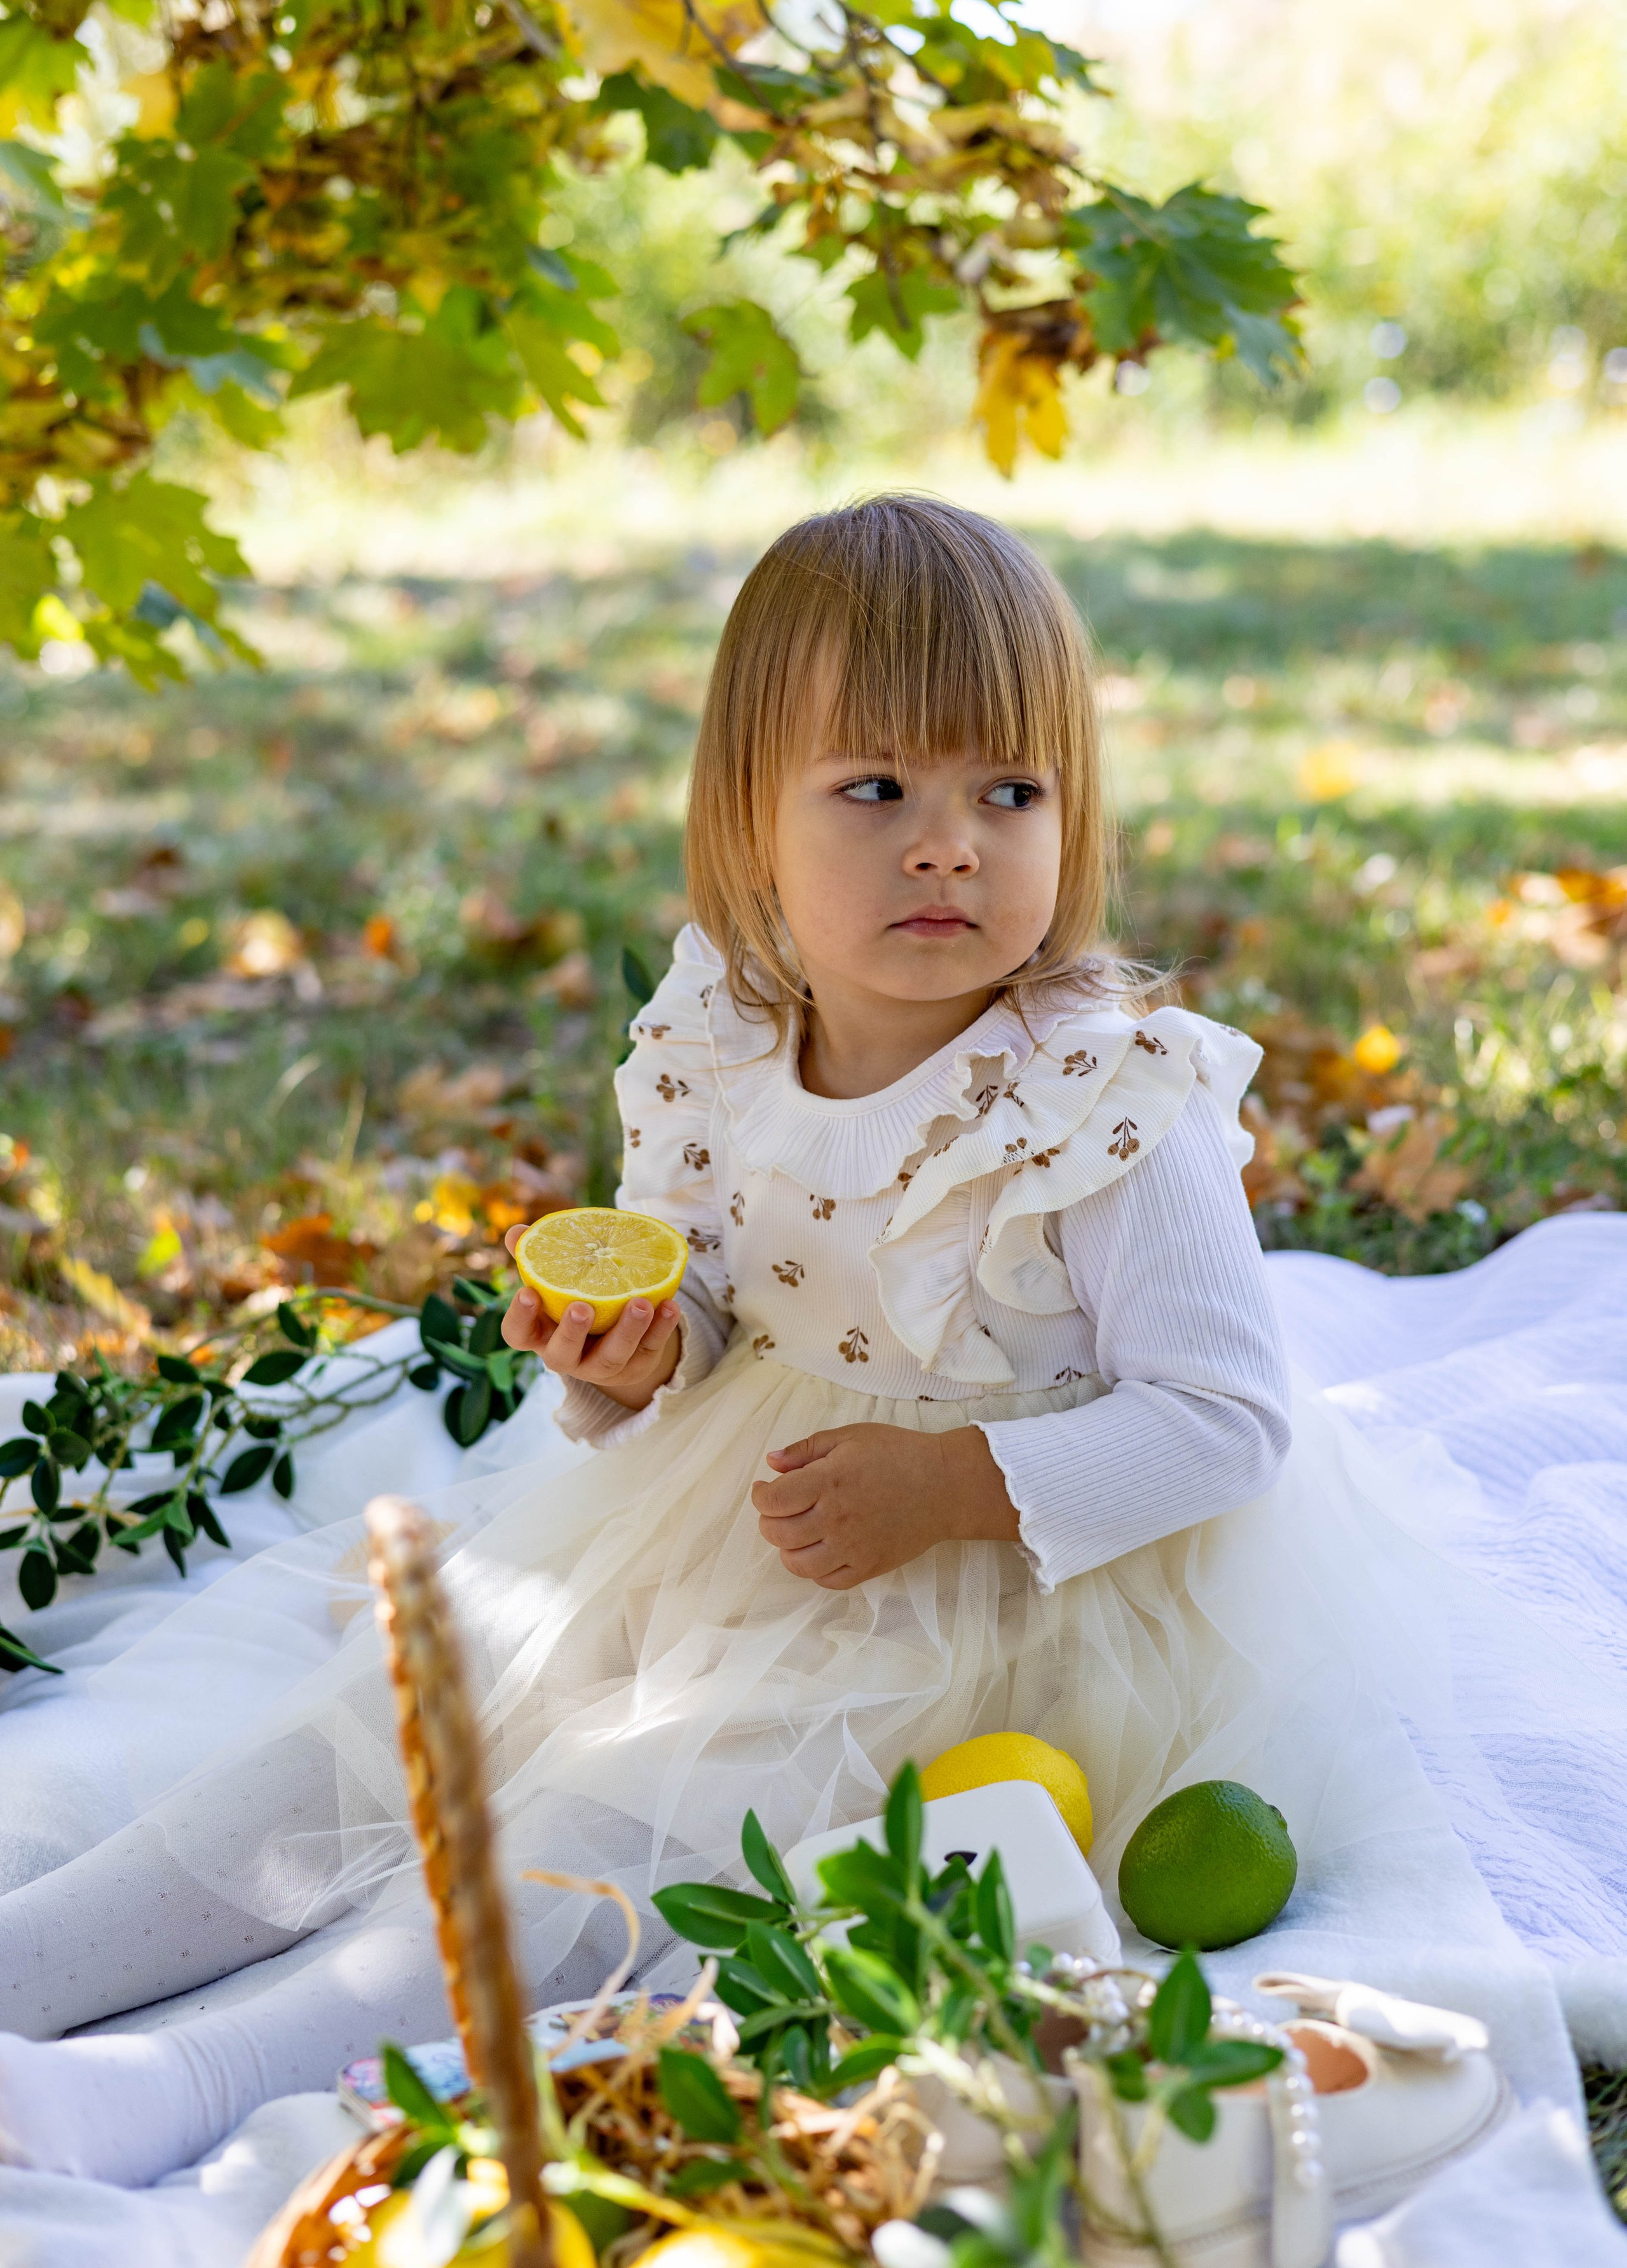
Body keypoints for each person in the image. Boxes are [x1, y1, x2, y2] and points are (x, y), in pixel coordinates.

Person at [0, 498, 1623, 2203]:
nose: (950, 847)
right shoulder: (718, 1050)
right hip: (744, 1515)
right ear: (750, 820)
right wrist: (629, 1356)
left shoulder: (1103, 1096)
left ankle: (171, 2081)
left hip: (1011, 1600)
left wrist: (952, 1483)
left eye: (1010, 793)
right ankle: (35, 1957)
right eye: (878, 792)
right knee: (391, 1727)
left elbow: (1226, 1420)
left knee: (606, 1838)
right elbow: (705, 1307)